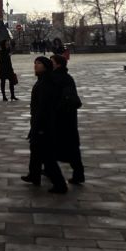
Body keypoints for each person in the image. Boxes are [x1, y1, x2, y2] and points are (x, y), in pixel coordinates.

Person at [21, 56, 68, 193]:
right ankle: (34, 175)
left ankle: (60, 184)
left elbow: (44, 108)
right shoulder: (43, 80)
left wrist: (38, 127)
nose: (35, 65)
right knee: (35, 151)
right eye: (35, 63)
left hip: (44, 125)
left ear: (46, 66)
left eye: (39, 63)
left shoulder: (46, 83)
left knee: (47, 157)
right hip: (40, 122)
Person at [51, 53, 85, 184]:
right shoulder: (66, 77)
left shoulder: (58, 78)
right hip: (68, 118)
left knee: (60, 145)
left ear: (58, 64)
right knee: (70, 147)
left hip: (62, 117)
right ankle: (77, 172)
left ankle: (57, 174)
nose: (50, 64)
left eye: (52, 62)